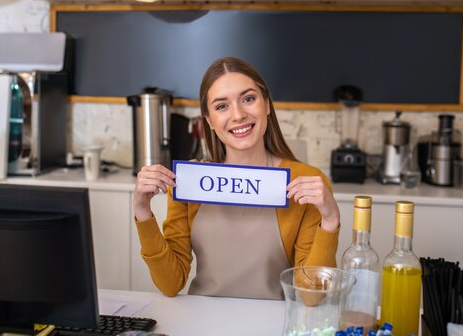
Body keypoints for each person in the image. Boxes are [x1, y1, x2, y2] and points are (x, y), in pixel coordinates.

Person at [133, 57, 340, 300]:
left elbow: (311, 296)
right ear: (209, 120)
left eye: (249, 99)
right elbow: (170, 283)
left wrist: (330, 219)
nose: (238, 114)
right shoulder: (190, 181)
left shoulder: (307, 182)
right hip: (201, 323)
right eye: (222, 106)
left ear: (266, 105)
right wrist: (142, 210)